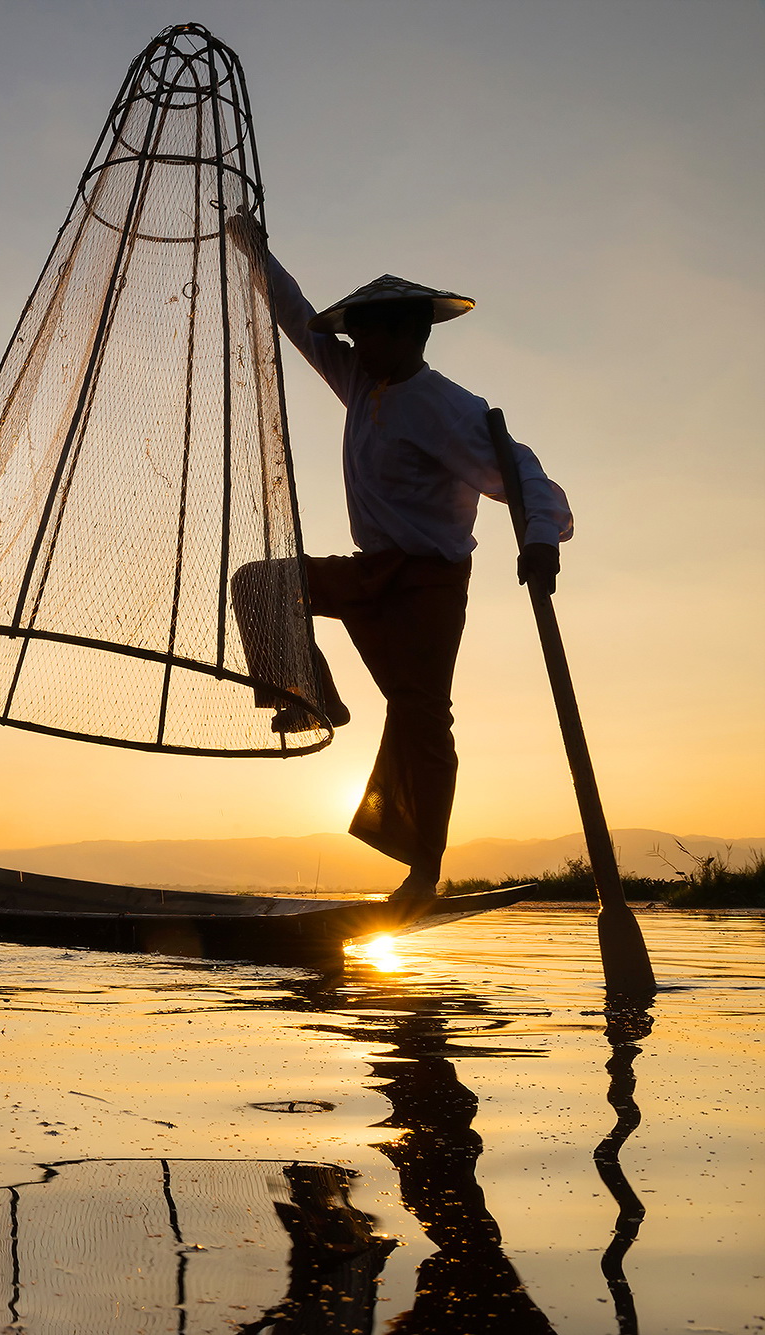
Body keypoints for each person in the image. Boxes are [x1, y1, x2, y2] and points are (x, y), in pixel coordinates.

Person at [227, 215, 573, 909]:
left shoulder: (447, 407)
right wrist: (255, 253)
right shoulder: (361, 379)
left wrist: (539, 537)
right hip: (370, 568)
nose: (352, 339)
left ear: (406, 335)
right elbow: (300, 324)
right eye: (353, 330)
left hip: (428, 584)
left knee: (421, 717)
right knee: (260, 584)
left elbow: (525, 473)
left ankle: (423, 870)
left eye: (365, 329)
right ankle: (310, 697)